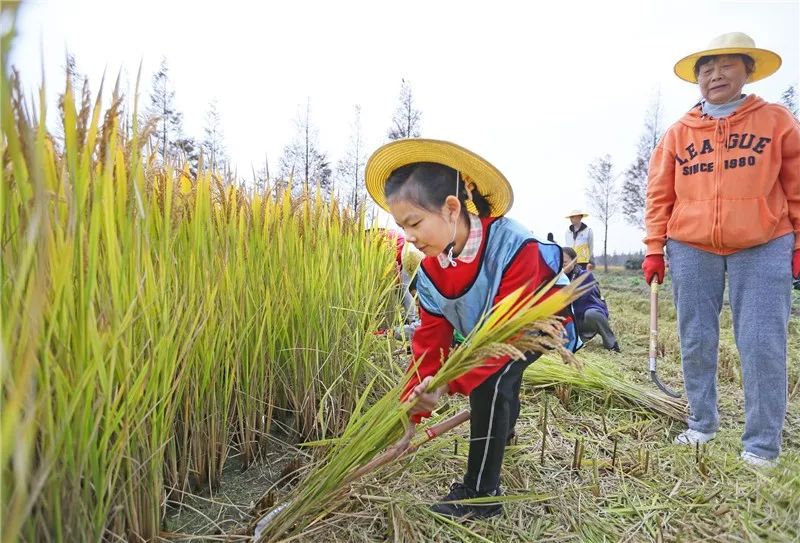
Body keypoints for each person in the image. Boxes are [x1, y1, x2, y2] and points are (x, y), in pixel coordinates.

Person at [365, 139, 577, 519]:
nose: (408, 236)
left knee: (491, 381)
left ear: (451, 208)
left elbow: (504, 339)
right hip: (485, 332)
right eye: (401, 227)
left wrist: (449, 383)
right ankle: (503, 431)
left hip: (539, 324)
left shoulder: (514, 245)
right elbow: (430, 341)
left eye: (414, 223)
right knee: (496, 381)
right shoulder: (429, 272)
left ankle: (480, 494)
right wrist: (417, 399)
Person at [643, 32, 800, 468]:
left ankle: (762, 445)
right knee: (695, 338)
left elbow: (796, 185)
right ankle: (701, 423)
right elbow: (659, 195)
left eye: (727, 66)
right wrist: (655, 247)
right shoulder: (678, 133)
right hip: (691, 246)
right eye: (707, 69)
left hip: (765, 242)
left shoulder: (776, 121)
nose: (716, 75)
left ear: (748, 70)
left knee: (762, 341)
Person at [562, 247, 620, 352]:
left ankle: (611, 344)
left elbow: (580, 299)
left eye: (564, 262)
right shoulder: (556, 278)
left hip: (583, 316)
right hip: (570, 321)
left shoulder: (584, 276)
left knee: (592, 314)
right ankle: (578, 338)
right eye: (559, 262)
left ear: (574, 261)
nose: (561, 265)